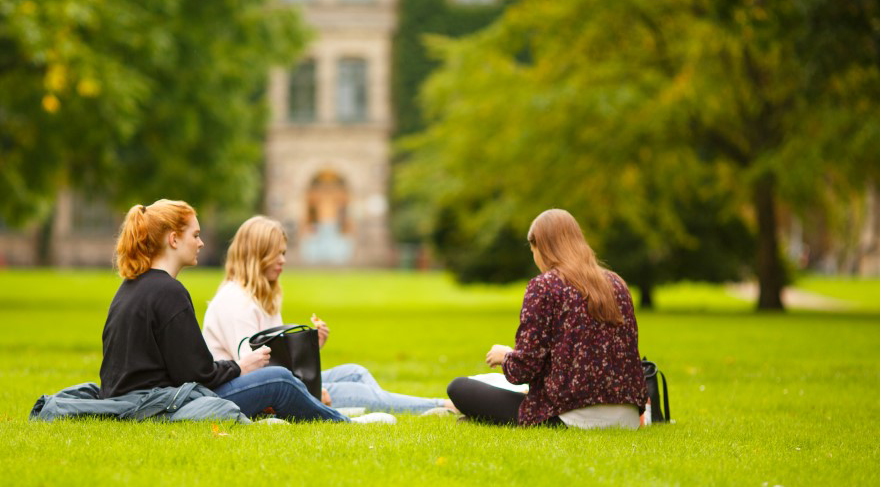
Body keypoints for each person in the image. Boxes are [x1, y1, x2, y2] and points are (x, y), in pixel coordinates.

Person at [100, 199, 394, 424]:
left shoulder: (130, 287)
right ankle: (342, 422)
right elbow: (198, 374)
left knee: (338, 374)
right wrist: (241, 366)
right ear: (174, 239)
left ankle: (325, 410)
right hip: (160, 404)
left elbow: (180, 368)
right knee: (278, 379)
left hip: (144, 398)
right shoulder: (168, 292)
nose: (201, 243)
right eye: (195, 235)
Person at [202, 215, 456, 415]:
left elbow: (279, 359)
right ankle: (439, 406)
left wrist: (311, 347)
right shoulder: (236, 301)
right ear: (256, 255)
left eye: (284, 253)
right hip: (245, 392)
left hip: (273, 381)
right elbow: (254, 369)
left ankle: (380, 406)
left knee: (355, 373)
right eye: (276, 254)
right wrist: (310, 393)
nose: (283, 261)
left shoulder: (263, 296)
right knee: (352, 391)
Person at [446, 209, 648, 429]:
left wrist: (505, 357)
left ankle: (483, 418)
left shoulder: (544, 286)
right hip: (628, 416)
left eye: (533, 250)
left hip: (570, 414)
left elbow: (524, 369)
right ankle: (482, 420)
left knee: (459, 388)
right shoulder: (617, 284)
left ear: (540, 247)